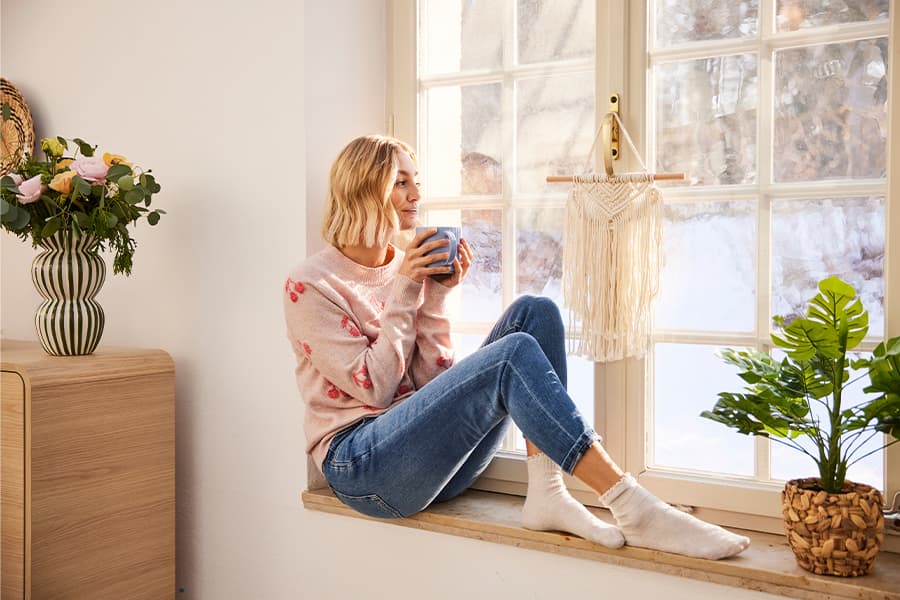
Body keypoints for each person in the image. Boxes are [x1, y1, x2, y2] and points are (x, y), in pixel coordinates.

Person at [283, 134, 750, 560]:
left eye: (416, 182)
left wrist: (438, 293)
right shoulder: (311, 285)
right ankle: (632, 505)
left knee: (535, 312)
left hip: (431, 464)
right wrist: (409, 288)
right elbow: (378, 391)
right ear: (364, 188)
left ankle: (547, 491)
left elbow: (429, 384)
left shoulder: (405, 265)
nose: (416, 195)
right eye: (400, 182)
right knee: (512, 353)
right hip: (365, 469)